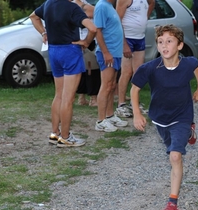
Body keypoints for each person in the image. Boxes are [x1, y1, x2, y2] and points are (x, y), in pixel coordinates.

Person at [130, 24, 198, 210]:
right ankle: (184, 136)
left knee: (174, 156)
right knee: (171, 148)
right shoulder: (150, 68)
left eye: (169, 41)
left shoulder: (187, 63)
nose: (164, 45)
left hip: (182, 116)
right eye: (160, 42)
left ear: (180, 45)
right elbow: (134, 89)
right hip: (160, 119)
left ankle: (172, 203)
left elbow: (197, 66)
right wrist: (137, 114)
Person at [29, 0, 97, 147]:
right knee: (68, 98)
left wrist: (43, 32)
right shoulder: (73, 8)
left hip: (54, 51)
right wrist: (86, 42)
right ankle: (65, 137)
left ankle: (55, 133)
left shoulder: (48, 4)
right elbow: (93, 28)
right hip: (70, 51)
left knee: (59, 95)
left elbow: (33, 16)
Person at [114, 0, 155, 118]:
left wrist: (145, 18)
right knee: (126, 72)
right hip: (128, 37)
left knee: (138, 72)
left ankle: (134, 102)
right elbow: (117, 21)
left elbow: (152, 3)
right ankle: (121, 104)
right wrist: (124, 44)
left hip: (140, 37)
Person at [94, 0, 128, 132]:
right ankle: (101, 120)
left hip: (115, 52)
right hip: (108, 52)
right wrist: (105, 52)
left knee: (112, 85)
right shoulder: (101, 6)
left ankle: (109, 115)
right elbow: (97, 31)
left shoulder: (110, 6)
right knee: (106, 85)